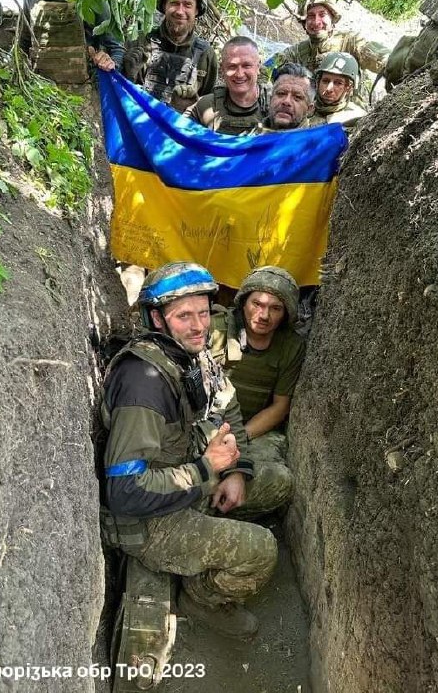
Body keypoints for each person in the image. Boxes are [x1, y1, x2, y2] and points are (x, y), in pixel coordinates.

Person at [101, 262, 278, 638]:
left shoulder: (190, 354)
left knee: (280, 482)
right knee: (262, 550)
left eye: (203, 313)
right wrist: (205, 469)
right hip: (150, 520)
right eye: (184, 316)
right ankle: (200, 599)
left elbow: (227, 406)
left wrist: (236, 471)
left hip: (192, 478)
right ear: (158, 320)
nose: (199, 325)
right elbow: (124, 492)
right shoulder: (143, 384)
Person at [210, 267, 305, 520]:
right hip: (208, 427)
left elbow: (280, 406)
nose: (264, 315)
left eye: (275, 308)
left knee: (280, 480)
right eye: (257, 304)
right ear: (243, 303)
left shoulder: (290, 346)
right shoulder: (218, 329)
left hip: (253, 430)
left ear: (286, 314)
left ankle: (227, 511)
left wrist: (240, 438)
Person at [122, 0, 218, 113]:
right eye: (174, 3)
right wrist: (128, 76)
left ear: (197, 10)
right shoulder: (139, 42)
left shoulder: (206, 56)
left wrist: (192, 106)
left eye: (187, 5)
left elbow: (208, 114)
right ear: (164, 6)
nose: (180, 11)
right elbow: (121, 100)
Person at [270, 0, 389, 108]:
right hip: (311, 114)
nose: (316, 21)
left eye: (322, 15)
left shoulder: (350, 42)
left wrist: (397, 62)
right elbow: (267, 68)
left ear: (332, 19)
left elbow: (381, 57)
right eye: (311, 16)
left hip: (348, 114)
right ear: (304, 23)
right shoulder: (296, 52)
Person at [184, 36, 270, 134]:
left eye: (246, 66)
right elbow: (176, 137)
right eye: (232, 66)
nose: (239, 74)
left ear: (258, 66)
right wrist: (178, 108)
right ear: (222, 69)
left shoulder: (275, 106)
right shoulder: (206, 106)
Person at [310, 52, 368, 128]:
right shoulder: (304, 110)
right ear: (318, 82)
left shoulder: (357, 117)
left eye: (338, 83)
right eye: (325, 81)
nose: (329, 89)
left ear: (348, 88)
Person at [260, 63, 315, 131]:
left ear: (309, 109)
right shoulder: (251, 138)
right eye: (281, 93)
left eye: (297, 97)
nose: (286, 101)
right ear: (270, 99)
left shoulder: (320, 140)